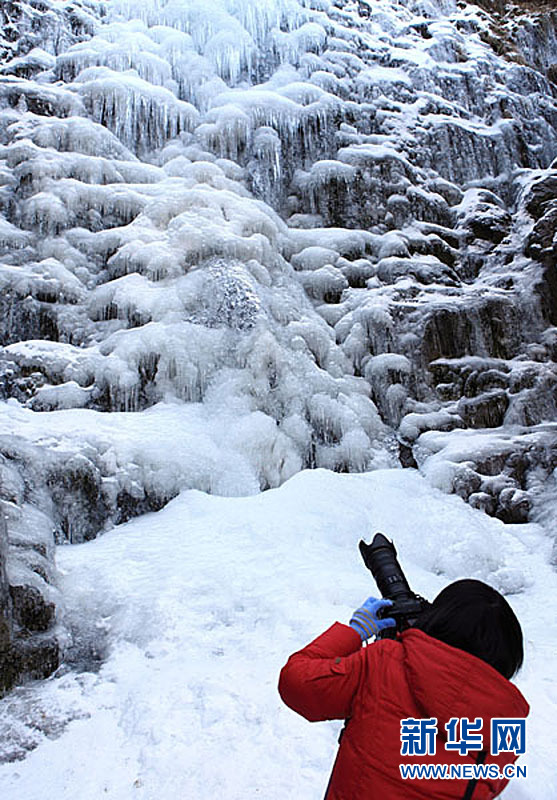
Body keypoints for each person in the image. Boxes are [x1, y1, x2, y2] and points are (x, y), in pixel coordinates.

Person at [278, 579, 529, 799]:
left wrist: (355, 632)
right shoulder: (508, 726)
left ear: (437, 619)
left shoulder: (385, 662)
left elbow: (297, 683)